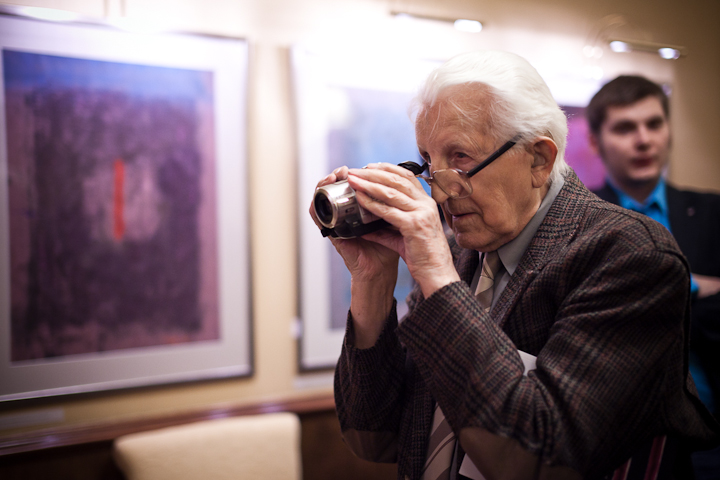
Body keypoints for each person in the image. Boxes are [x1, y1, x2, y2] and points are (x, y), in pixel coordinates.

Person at [310, 51, 718, 480]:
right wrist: (372, 280)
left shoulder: (629, 253)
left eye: (461, 158)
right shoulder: (459, 254)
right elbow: (376, 436)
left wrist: (436, 273)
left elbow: (539, 457)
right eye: (430, 162)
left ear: (539, 160)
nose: (440, 193)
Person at [587, 74, 720, 479]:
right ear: (595, 141)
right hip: (614, 441)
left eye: (654, 123)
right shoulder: (581, 219)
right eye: (625, 128)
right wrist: (692, 285)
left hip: (711, 430)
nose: (643, 140)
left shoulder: (712, 212)